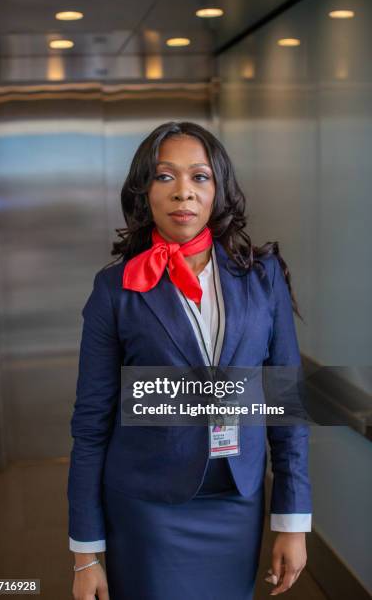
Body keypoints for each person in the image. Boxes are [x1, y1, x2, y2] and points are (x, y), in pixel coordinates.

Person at [67, 121, 312, 600]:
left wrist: (292, 520)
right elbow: (91, 424)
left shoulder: (262, 279)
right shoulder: (115, 290)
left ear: (219, 188)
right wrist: (86, 553)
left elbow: (285, 404)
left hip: (236, 504)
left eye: (199, 177)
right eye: (165, 177)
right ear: (144, 191)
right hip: (146, 508)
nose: (184, 192)